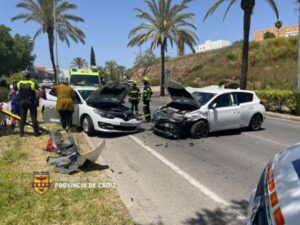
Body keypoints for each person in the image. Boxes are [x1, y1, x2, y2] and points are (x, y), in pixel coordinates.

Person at [16, 72, 40, 137]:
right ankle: (36, 133)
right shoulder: (32, 83)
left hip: (22, 102)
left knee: (22, 117)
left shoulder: (19, 83)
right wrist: (37, 97)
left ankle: (21, 133)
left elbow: (13, 91)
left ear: (23, 77)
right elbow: (41, 90)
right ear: (29, 77)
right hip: (31, 102)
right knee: (33, 117)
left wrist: (17, 98)